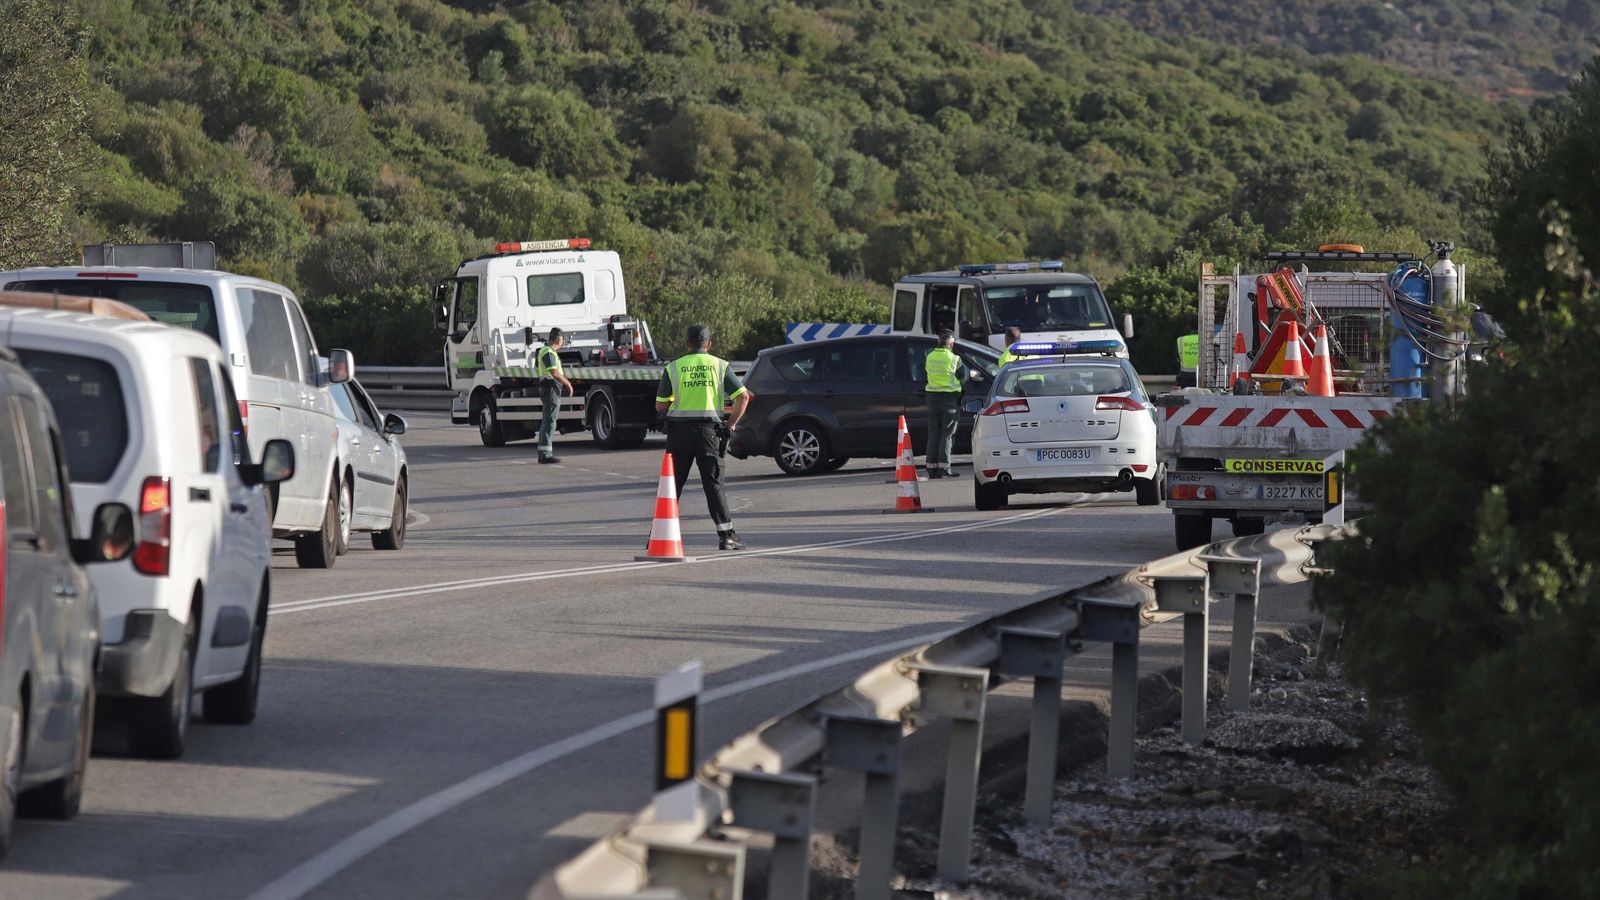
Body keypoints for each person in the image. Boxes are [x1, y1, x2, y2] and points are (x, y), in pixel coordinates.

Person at [655, 324, 752, 550]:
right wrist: (731, 425)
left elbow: (660, 405)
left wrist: (675, 401)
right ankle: (726, 536)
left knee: (672, 485)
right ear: (709, 344)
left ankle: (658, 535)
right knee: (713, 484)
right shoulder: (720, 366)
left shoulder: (674, 367)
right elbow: (743, 397)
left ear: (686, 344)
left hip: (679, 433)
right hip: (710, 433)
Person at [924, 329, 965, 479]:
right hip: (949, 401)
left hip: (932, 400)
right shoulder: (954, 358)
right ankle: (944, 468)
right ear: (951, 343)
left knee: (934, 433)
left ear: (938, 342)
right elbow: (963, 376)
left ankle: (931, 467)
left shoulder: (929, 356)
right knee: (947, 435)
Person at [536, 328, 573, 464]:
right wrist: (568, 383)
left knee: (548, 420)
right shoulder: (548, 352)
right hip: (550, 387)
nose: (563, 343)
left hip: (549, 387)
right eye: (562, 340)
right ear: (559, 340)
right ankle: (545, 455)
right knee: (550, 421)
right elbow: (554, 372)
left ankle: (544, 453)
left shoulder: (547, 351)